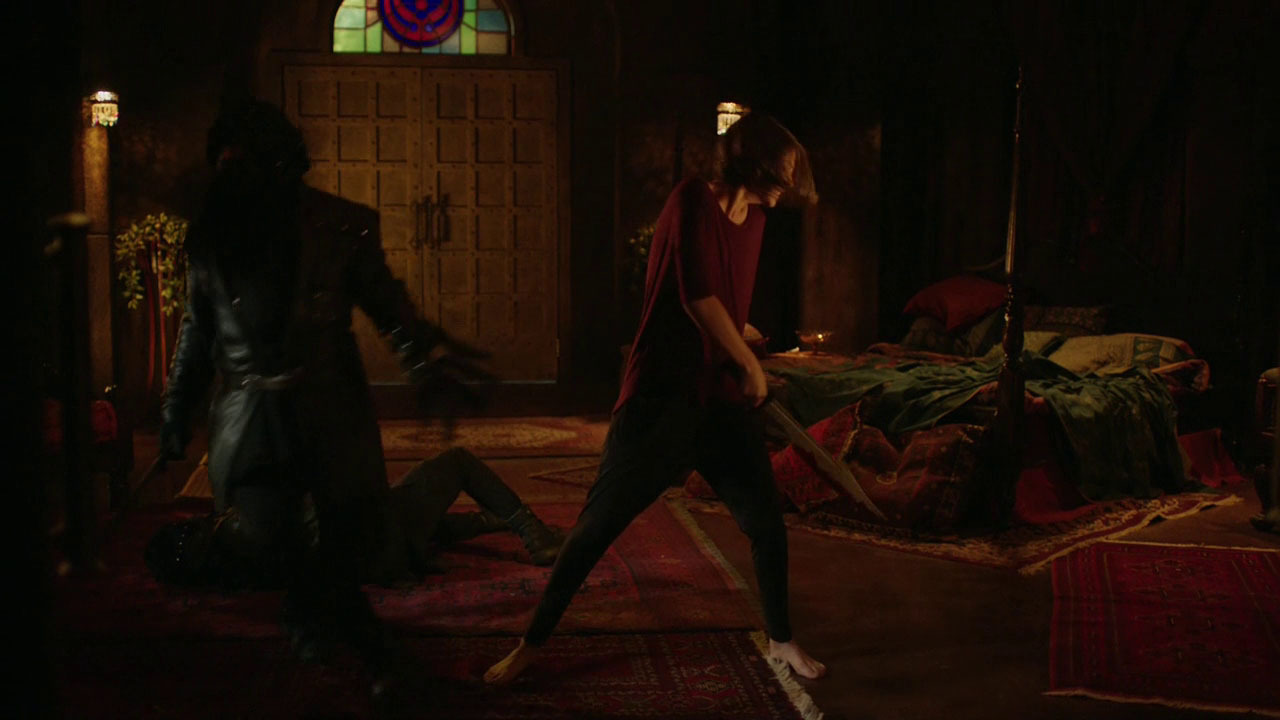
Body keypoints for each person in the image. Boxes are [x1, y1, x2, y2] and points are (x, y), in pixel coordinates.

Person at [159, 98, 490, 692]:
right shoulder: (212, 237)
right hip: (250, 417)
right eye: (224, 165)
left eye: (244, 163)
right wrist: (176, 408)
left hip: (329, 409)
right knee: (269, 536)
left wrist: (427, 360)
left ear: (278, 164)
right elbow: (198, 328)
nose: (233, 178)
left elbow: (389, 308)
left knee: (347, 537)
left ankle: (333, 628)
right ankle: (371, 651)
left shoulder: (341, 227)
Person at [485, 113, 827, 685]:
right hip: (661, 400)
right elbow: (696, 297)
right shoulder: (691, 198)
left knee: (766, 523)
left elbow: (724, 306)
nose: (787, 184)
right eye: (781, 170)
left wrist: (745, 342)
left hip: (718, 402)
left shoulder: (757, 221)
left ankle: (782, 640)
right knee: (596, 528)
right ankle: (530, 644)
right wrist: (747, 363)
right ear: (753, 162)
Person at [145, 447, 565, 590]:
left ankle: (491, 521)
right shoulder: (248, 515)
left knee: (416, 510)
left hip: (370, 551)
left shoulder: (232, 567)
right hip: (378, 537)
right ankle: (532, 533)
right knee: (457, 462)